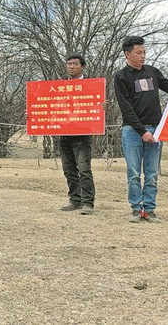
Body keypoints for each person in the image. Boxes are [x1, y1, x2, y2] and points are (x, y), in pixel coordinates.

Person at [114, 36, 168, 223]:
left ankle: (149, 209)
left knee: (152, 173)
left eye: (144, 52)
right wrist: (142, 131)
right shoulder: (121, 76)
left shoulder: (152, 72)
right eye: (138, 52)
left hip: (155, 130)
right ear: (127, 54)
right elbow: (126, 108)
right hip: (132, 132)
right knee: (133, 173)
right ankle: (136, 209)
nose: (143, 56)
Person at [58, 55, 95, 215]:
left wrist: (102, 107)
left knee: (84, 169)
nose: (71, 67)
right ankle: (75, 199)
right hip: (64, 134)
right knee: (68, 169)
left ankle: (87, 202)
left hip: (82, 135)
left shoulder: (91, 85)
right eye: (69, 64)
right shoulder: (59, 85)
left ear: (82, 67)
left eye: (75, 64)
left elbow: (97, 105)